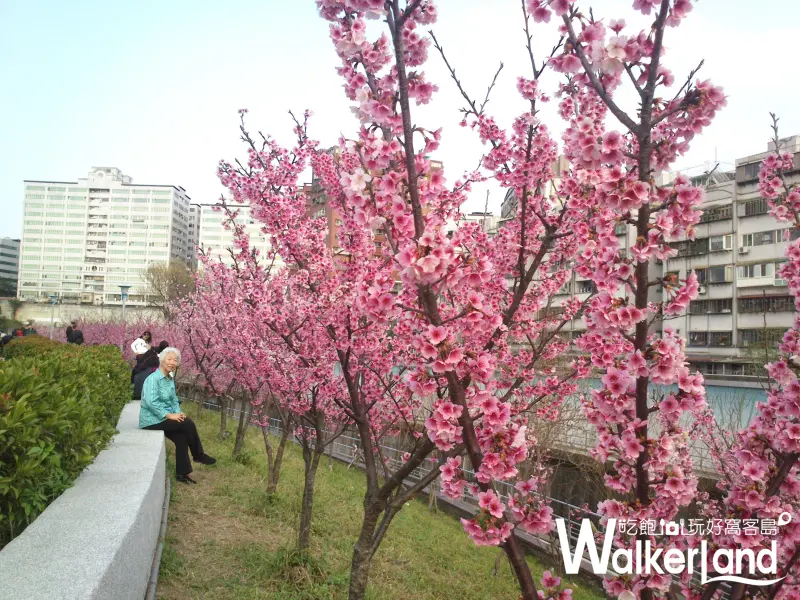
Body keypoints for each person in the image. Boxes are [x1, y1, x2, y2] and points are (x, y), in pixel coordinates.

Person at [139, 347, 215, 483]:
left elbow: (174, 399)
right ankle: (198, 455)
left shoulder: (169, 379)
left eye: (175, 360)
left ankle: (182, 474)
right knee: (187, 423)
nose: (172, 363)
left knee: (181, 438)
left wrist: (177, 412)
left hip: (163, 417)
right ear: (161, 360)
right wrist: (169, 415)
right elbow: (151, 402)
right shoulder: (153, 379)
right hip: (152, 420)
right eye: (169, 359)